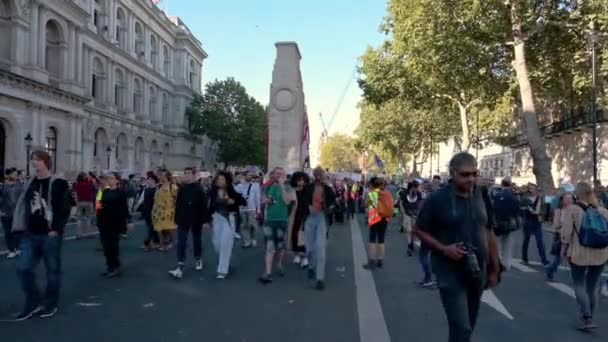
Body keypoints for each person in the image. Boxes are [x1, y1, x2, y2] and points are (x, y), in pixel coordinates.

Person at [415, 152, 500, 342]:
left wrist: (495, 268)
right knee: (460, 327)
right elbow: (420, 230)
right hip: (449, 272)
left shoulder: (482, 193)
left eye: (474, 173)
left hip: (478, 270)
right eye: (465, 174)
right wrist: (444, 249)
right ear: (452, 173)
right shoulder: (437, 199)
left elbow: (489, 231)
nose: (471, 179)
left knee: (468, 326)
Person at [12, 150, 71, 320]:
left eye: (37, 160)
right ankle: (33, 302)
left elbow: (64, 208)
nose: (33, 163)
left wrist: (57, 229)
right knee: (23, 269)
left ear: (46, 162)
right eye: (32, 160)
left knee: (52, 271)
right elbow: (25, 205)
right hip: (30, 233)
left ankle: (50, 304)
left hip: (49, 234)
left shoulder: (58, 182)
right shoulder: (30, 183)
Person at [560, 182, 608, 331]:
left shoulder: (573, 210)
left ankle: (586, 317)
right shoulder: (603, 211)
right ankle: (589, 317)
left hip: (579, 252)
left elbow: (566, 234)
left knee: (579, 283)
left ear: (577, 194)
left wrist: (563, 248)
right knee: (592, 287)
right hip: (600, 253)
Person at [169, 167, 210, 279]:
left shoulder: (199, 189)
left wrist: (206, 220)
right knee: (181, 241)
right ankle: (180, 263)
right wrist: (176, 219)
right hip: (183, 219)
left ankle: (198, 258)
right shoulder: (182, 188)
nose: (186, 175)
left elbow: (204, 205)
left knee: (196, 239)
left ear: (193, 175)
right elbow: (178, 204)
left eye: (188, 173)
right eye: (185, 173)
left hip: (196, 218)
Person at [259, 167, 295, 284]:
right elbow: (263, 199)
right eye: (277, 174)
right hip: (269, 220)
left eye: (281, 174)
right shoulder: (268, 186)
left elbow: (286, 201)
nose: (279, 176)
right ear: (273, 175)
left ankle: (279, 263)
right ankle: (268, 272)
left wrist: (282, 186)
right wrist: (266, 200)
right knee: (270, 247)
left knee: (280, 246)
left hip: (282, 220)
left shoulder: (288, 188)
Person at [302, 167, 336, 290]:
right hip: (309, 218)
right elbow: (301, 202)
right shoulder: (308, 188)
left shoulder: (328, 189)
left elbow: (333, 202)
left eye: (321, 174)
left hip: (322, 218)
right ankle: (311, 266)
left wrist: (330, 207)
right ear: (314, 175)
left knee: (320, 248)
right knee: (309, 248)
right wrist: (308, 206)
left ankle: (320, 278)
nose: (319, 176)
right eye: (317, 174)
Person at [209, 171, 246, 279]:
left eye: (222, 179)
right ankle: (225, 260)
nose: (220, 181)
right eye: (218, 179)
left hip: (229, 219)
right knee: (217, 244)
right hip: (217, 219)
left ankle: (222, 270)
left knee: (225, 245)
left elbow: (243, 201)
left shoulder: (231, 190)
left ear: (226, 181)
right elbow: (209, 206)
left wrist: (233, 201)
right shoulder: (212, 192)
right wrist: (206, 220)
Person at [97, 172, 129, 278]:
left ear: (116, 180)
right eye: (108, 178)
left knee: (113, 246)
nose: (109, 180)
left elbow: (124, 208)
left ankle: (115, 267)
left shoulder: (120, 192)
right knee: (106, 246)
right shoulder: (104, 191)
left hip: (115, 223)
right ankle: (110, 266)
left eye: (111, 178)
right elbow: (98, 204)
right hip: (103, 222)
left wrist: (126, 223)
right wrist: (98, 212)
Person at [492, 178, 521, 271]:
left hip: (499, 221)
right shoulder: (514, 196)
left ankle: (497, 261)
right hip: (509, 222)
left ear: (502, 185)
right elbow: (517, 210)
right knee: (508, 244)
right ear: (510, 185)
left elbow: (494, 208)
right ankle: (507, 263)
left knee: (497, 244)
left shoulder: (497, 195)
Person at [363, 177, 391, 270]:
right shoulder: (387, 193)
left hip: (375, 218)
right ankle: (380, 260)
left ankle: (371, 261)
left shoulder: (372, 193)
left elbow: (366, 204)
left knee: (372, 240)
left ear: (372, 184)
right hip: (385, 219)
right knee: (381, 240)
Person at [545, 192, 574, 281]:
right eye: (567, 199)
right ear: (563, 200)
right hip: (561, 236)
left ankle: (576, 276)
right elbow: (556, 225)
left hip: (572, 236)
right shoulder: (559, 211)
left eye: (571, 199)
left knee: (572, 257)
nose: (569, 201)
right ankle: (550, 269)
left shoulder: (575, 210)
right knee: (559, 257)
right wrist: (564, 226)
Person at [521, 184, 549, 265]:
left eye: (533, 189)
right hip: (528, 221)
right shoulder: (525, 198)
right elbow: (521, 208)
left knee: (540, 242)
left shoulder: (540, 199)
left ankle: (544, 260)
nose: (532, 190)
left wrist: (541, 214)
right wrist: (526, 209)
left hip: (536, 221)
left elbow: (542, 210)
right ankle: (524, 258)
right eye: (530, 189)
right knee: (526, 240)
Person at [0, 167, 25, 258]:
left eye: (16, 174)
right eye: (14, 174)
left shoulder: (20, 185)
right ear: (8, 175)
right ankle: (11, 250)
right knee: (8, 233)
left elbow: (23, 199)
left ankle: (18, 249)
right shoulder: (3, 186)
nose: (16, 175)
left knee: (17, 232)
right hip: (5, 213)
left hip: (17, 213)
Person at [152, 170, 178, 251]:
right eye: (160, 176)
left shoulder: (173, 187)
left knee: (168, 228)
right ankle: (162, 244)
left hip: (168, 211)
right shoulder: (159, 186)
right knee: (158, 228)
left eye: (163, 175)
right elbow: (155, 198)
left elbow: (176, 198)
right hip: (157, 211)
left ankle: (171, 241)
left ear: (167, 176)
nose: (161, 177)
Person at [235, 171, 261, 248]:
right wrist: (236, 181)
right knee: (244, 225)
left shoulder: (255, 186)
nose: (249, 177)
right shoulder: (240, 186)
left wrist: (258, 208)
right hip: (242, 209)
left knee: (252, 224)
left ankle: (253, 238)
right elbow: (233, 193)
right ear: (244, 176)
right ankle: (247, 241)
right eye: (248, 175)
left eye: (250, 175)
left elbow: (257, 197)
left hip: (252, 208)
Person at [137, 173, 160, 251]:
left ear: (154, 181)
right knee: (152, 227)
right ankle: (157, 241)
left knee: (150, 227)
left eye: (151, 180)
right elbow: (141, 199)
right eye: (148, 179)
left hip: (154, 211)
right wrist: (137, 205)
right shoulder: (146, 190)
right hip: (146, 210)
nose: (149, 181)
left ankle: (146, 243)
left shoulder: (157, 190)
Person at [400, 181, 422, 257]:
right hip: (407, 214)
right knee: (408, 230)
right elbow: (401, 202)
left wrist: (419, 212)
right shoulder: (405, 193)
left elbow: (420, 203)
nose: (416, 189)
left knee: (414, 231)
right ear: (412, 187)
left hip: (416, 215)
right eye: (415, 187)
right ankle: (409, 245)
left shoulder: (419, 194)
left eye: (417, 187)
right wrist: (403, 211)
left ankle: (412, 242)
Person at [73, 172, 96, 239]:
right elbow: (94, 188)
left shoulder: (77, 185)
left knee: (79, 219)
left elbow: (75, 193)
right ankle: (89, 233)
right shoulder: (89, 184)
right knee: (88, 218)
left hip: (80, 202)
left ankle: (79, 234)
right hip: (89, 202)